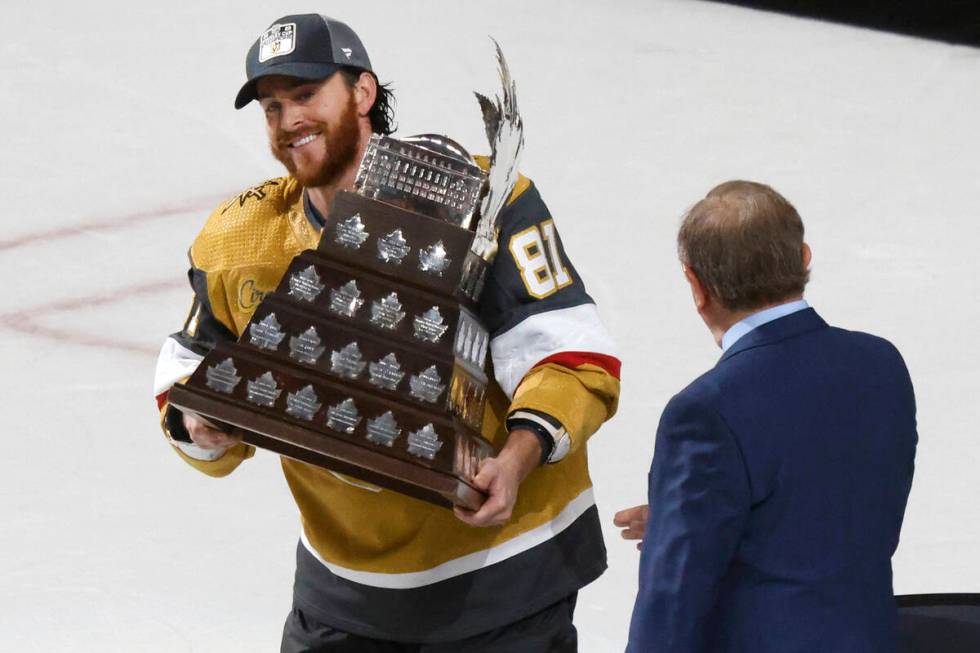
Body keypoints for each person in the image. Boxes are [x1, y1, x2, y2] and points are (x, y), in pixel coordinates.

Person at [151, 13, 621, 652]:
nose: (289, 122)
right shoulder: (239, 241)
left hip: (504, 579)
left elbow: (573, 357)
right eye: (271, 107)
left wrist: (515, 461)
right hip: (345, 594)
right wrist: (199, 425)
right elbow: (183, 379)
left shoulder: (484, 199)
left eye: (307, 95)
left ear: (364, 93)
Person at [616, 181, 916, 652]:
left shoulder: (705, 411)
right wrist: (692, 519)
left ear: (695, 285)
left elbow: (669, 611)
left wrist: (685, 530)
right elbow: (834, 508)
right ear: (803, 258)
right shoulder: (881, 364)